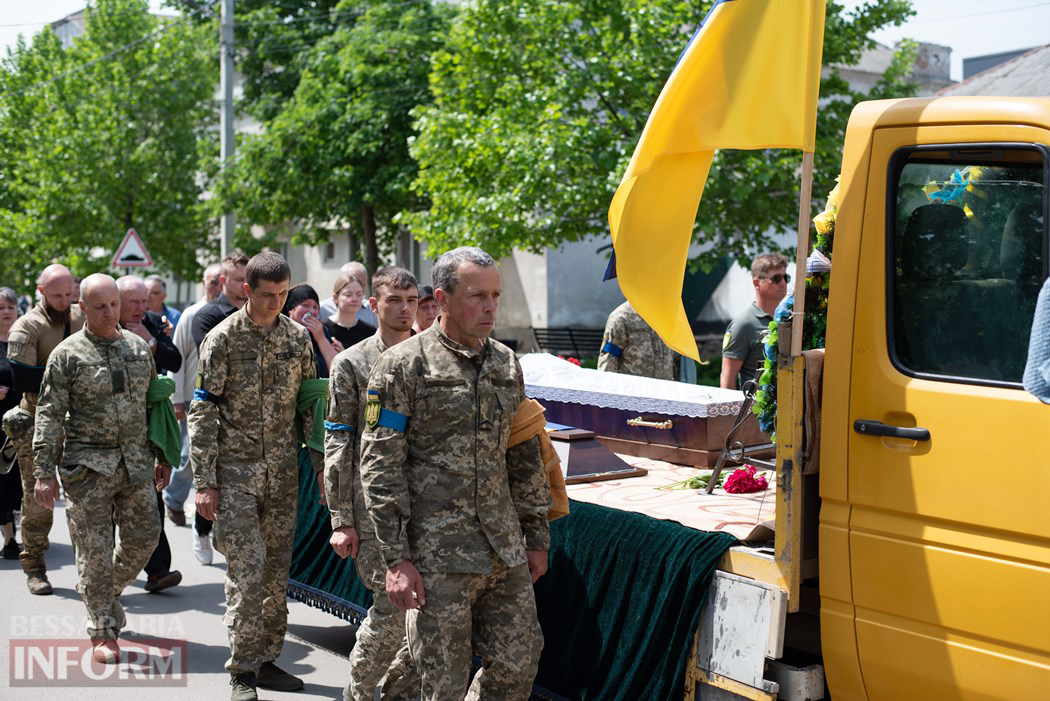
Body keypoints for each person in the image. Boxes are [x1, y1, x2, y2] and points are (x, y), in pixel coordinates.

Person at [359, 246, 550, 701]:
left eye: (495, 295)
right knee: (441, 681)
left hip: (502, 548)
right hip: (437, 553)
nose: (489, 307)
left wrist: (536, 536)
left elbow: (523, 455)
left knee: (518, 664)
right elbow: (380, 463)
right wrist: (396, 559)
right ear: (442, 299)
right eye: (476, 295)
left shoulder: (506, 364)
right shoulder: (403, 366)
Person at [189, 251, 319, 701]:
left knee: (276, 574)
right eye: (268, 295)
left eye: (284, 294)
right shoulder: (223, 339)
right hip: (236, 474)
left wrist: (321, 467)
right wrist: (205, 480)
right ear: (247, 290)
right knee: (247, 573)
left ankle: (267, 659)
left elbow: (310, 406)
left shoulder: (297, 338)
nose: (276, 303)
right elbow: (202, 410)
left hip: (283, 473)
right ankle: (241, 671)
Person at [32, 273, 170, 663]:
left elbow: (152, 409)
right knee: (95, 551)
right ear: (83, 308)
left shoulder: (138, 348)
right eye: (100, 306)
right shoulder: (67, 354)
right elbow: (50, 414)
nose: (110, 313)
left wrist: (162, 456)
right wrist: (43, 472)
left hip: (136, 463)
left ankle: (105, 596)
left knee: (146, 537)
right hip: (86, 467)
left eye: (114, 305)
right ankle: (103, 630)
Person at [326, 266, 419, 701]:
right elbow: (338, 441)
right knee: (390, 606)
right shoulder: (352, 363)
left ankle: (397, 692)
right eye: (394, 301)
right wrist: (342, 518)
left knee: (426, 612)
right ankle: (360, 690)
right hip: (374, 505)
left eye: (411, 301)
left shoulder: (431, 356)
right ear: (373, 305)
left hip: (428, 503)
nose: (404, 310)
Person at [5, 263, 84, 595]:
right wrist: (68, 375)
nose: (64, 301)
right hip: (37, 422)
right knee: (37, 499)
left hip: (79, 423)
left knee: (84, 500)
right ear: (41, 292)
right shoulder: (27, 327)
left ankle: (90, 569)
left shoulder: (83, 316)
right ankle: (34, 567)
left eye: (69, 294)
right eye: (56, 295)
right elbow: (21, 378)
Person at [116, 275, 183, 593]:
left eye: (145, 301)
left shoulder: (152, 322)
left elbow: (174, 360)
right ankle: (107, 577)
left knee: (150, 502)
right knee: (107, 510)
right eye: (134, 302)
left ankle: (158, 571)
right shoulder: (101, 324)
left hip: (146, 427)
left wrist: (151, 340)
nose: (141, 308)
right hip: (107, 431)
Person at [188, 250, 249, 565]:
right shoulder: (209, 315)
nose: (243, 285)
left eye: (246, 279)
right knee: (212, 479)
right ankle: (201, 530)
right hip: (219, 411)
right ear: (224, 280)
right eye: (238, 279)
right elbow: (213, 361)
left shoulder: (258, 313)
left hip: (251, 417)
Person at [166, 262, 222, 528]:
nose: (217, 287)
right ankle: (174, 499)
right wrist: (176, 398)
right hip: (192, 396)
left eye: (221, 282)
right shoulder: (191, 315)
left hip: (220, 398)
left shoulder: (229, 313)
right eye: (213, 281)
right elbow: (177, 358)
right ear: (203, 282)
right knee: (190, 455)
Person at [720, 253, 790, 390]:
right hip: (755, 410)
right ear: (757, 283)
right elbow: (727, 379)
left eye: (785, 277)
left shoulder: (789, 319)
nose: (783, 283)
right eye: (776, 278)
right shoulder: (743, 325)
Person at [0, 287, 25, 559]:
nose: (6, 312)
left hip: (23, 423)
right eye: (0, 308)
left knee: (17, 481)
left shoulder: (25, 340)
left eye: (10, 306)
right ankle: (9, 537)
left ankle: (19, 534)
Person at [597, 300, 676, 380]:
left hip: (664, 389)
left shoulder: (667, 314)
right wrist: (607, 387)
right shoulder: (622, 316)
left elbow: (675, 358)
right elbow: (610, 357)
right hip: (632, 389)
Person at [285, 284, 340, 377]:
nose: (311, 311)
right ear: (291, 309)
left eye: (315, 307)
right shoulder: (281, 331)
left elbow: (336, 370)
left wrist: (321, 338)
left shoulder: (322, 330)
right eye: (305, 305)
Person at [324, 273, 376, 350]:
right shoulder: (324, 330)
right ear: (335, 298)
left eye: (359, 294)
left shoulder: (370, 331)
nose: (354, 299)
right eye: (348, 295)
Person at [320, 261, 379, 327]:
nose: (354, 299)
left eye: (362, 285)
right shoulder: (322, 309)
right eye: (348, 294)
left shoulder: (372, 309)